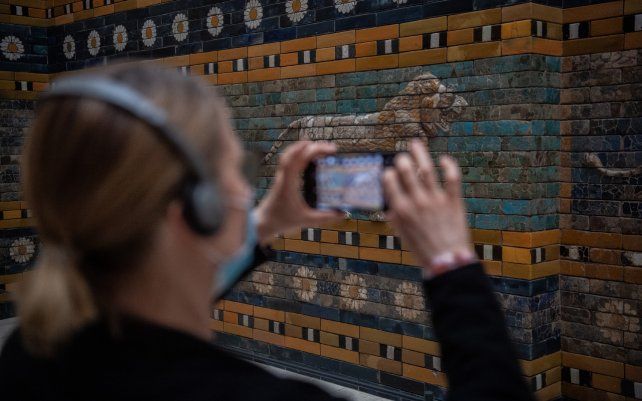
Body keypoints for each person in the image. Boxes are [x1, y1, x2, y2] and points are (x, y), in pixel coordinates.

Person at [0, 63, 534, 401]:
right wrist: (451, 263)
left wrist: (269, 222)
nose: (246, 186)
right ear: (198, 206)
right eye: (240, 167)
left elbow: (159, 282)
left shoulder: (33, 351)